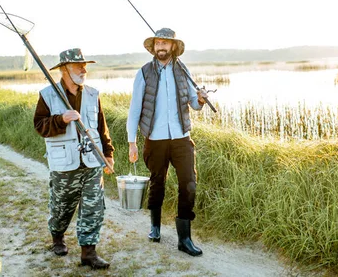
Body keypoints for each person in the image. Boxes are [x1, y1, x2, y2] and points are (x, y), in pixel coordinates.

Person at [126, 28, 208, 257]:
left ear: (173, 46)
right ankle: (155, 228)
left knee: (189, 184)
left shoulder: (184, 70)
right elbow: (134, 110)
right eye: (158, 43)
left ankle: (185, 239)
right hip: (155, 138)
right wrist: (132, 142)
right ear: (153, 47)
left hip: (182, 137)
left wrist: (201, 99)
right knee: (157, 182)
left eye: (166, 43)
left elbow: (194, 103)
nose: (161, 46)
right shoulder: (143, 73)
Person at [34, 48, 115, 270]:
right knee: (62, 206)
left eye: (84, 65)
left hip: (91, 161)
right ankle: (57, 238)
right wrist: (61, 119)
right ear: (64, 70)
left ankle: (88, 252)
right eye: (78, 65)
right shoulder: (47, 95)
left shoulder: (92, 93)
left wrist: (108, 154)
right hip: (64, 163)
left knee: (93, 206)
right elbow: (40, 126)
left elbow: (101, 127)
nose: (84, 69)